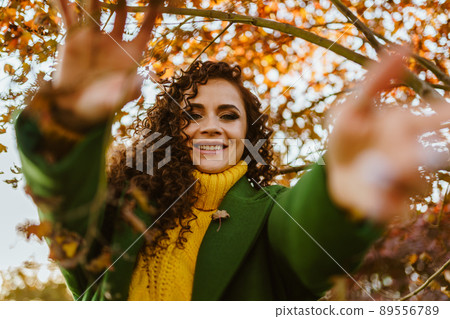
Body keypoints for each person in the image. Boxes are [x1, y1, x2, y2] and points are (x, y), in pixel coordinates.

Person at [15, 0, 449, 301]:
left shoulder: (273, 214)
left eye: (228, 115)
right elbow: (65, 198)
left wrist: (341, 185)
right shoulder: (118, 207)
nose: (210, 126)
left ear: (247, 134)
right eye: (193, 114)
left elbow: (307, 245)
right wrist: (69, 119)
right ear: (172, 127)